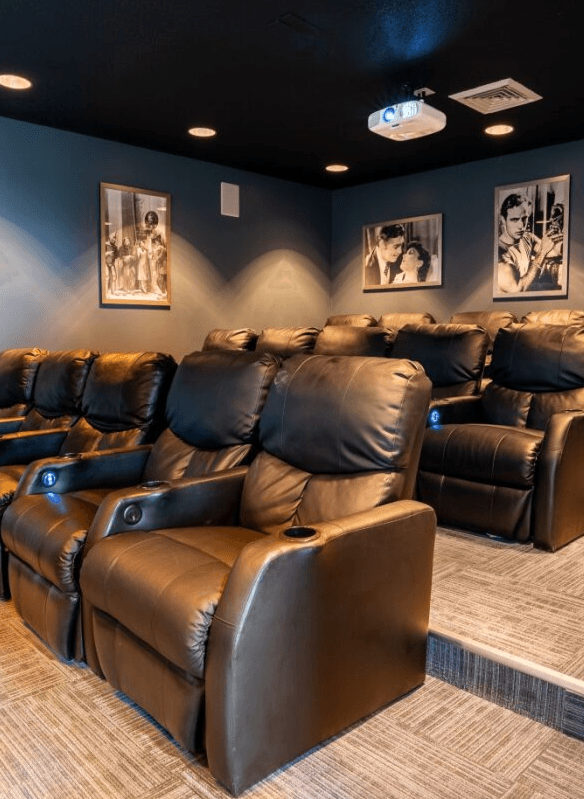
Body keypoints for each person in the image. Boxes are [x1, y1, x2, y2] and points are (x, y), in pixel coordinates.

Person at [497, 193, 562, 293]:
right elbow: (519, 289)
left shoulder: (526, 237)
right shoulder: (500, 255)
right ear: (503, 220)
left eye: (524, 218)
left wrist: (558, 225)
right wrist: (542, 253)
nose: (521, 226)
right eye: (514, 219)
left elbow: (554, 251)